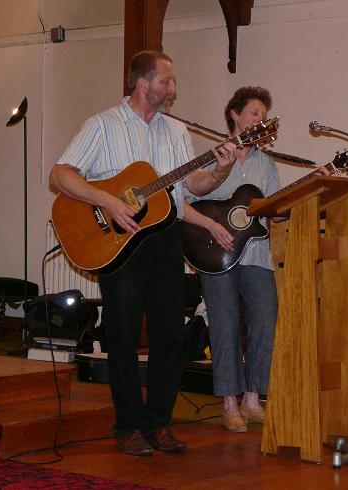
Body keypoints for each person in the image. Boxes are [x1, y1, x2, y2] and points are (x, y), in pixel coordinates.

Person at [49, 50, 236, 455]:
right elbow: (60, 174)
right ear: (142, 83)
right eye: (166, 81)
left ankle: (159, 424)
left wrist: (220, 170)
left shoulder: (176, 132)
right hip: (119, 243)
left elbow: (190, 190)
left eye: (172, 82)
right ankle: (128, 426)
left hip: (166, 240)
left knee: (171, 336)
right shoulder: (102, 125)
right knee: (123, 335)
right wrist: (107, 200)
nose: (173, 89)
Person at [184, 87, 279, 433]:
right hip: (215, 253)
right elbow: (191, 198)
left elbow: (270, 213)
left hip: (256, 253)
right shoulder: (209, 158)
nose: (260, 120)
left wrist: (284, 208)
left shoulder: (266, 163)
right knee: (223, 323)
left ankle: (253, 399)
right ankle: (228, 403)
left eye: (263, 116)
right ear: (235, 115)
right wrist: (214, 225)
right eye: (255, 113)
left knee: (265, 319)